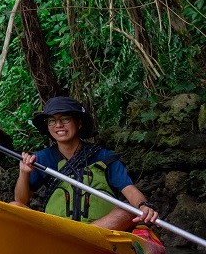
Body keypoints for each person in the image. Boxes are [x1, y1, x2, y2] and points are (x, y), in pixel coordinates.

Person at [13, 96, 159, 230]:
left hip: (98, 232)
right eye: (52, 120)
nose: (58, 125)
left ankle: (80, 235)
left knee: (128, 210)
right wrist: (24, 172)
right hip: (56, 231)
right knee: (14, 207)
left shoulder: (103, 156)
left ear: (79, 123)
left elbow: (130, 190)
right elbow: (21, 200)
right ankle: (70, 238)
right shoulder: (42, 158)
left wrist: (143, 205)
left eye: (65, 119)